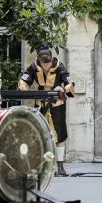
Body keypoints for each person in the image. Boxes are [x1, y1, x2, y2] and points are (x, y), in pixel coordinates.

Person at [18, 45, 74, 176]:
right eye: (44, 63)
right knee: (38, 131)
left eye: (48, 62)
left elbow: (70, 82)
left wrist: (64, 89)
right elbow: (24, 79)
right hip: (41, 102)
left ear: (51, 59)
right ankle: (40, 165)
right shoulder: (33, 67)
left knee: (60, 133)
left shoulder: (60, 67)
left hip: (57, 103)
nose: (46, 66)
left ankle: (60, 166)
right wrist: (23, 85)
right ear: (39, 60)